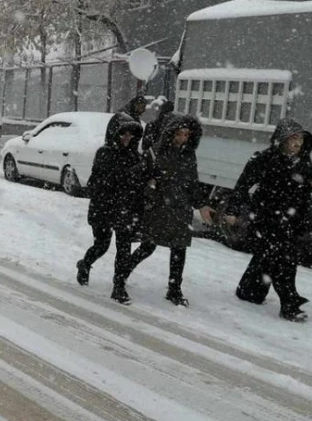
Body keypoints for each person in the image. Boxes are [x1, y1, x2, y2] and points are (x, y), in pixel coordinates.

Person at [113, 114, 215, 306]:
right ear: (171, 133)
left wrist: (201, 205)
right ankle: (122, 275)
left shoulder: (188, 155)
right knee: (148, 246)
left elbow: (193, 182)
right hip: (159, 207)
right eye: (179, 134)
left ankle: (174, 289)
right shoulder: (155, 152)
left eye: (186, 135)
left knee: (179, 249)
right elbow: (138, 177)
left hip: (181, 209)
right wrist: (149, 185)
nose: (183, 138)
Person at [226, 119, 312, 322]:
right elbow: (243, 185)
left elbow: (304, 190)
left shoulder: (303, 161)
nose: (298, 143)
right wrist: (233, 210)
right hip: (266, 218)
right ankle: (289, 303)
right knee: (282, 260)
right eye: (293, 139)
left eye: (300, 139)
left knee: (268, 258)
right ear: (282, 140)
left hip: (292, 219)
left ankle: (248, 290)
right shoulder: (264, 159)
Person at [76, 113, 146, 286]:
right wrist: (121, 178)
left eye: (130, 134)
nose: (127, 138)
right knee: (102, 245)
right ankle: (85, 264)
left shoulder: (134, 156)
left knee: (123, 248)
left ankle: (119, 285)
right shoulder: (104, 153)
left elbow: (138, 185)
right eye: (123, 134)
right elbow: (95, 183)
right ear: (115, 133)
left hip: (124, 208)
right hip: (104, 207)